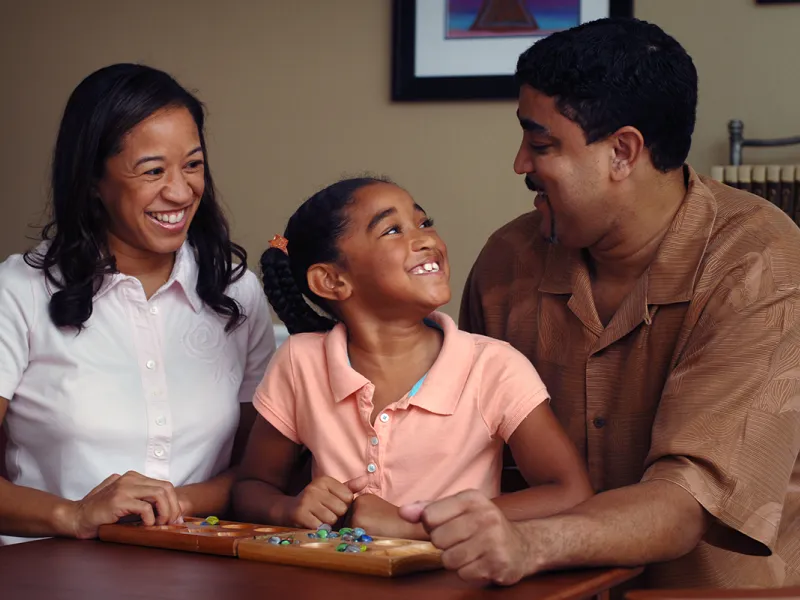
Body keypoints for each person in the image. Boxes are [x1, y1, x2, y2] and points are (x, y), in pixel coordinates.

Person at [398, 17, 800, 588]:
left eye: (541, 144)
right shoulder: (506, 262)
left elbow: (690, 500)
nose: (520, 164)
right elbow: (466, 454)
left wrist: (529, 542)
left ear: (623, 151)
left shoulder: (760, 261)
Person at [0, 64, 275, 545]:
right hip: (46, 575)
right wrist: (76, 515)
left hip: (200, 573)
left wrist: (176, 502)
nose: (180, 190)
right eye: (153, 171)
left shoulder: (237, 293)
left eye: (192, 164)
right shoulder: (18, 290)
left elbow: (258, 473)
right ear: (92, 181)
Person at [232, 177, 593, 538]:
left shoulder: (493, 367)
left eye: (424, 223)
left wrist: (419, 523)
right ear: (331, 281)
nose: (426, 239)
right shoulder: (300, 362)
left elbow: (570, 492)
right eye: (392, 230)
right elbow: (251, 486)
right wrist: (291, 508)